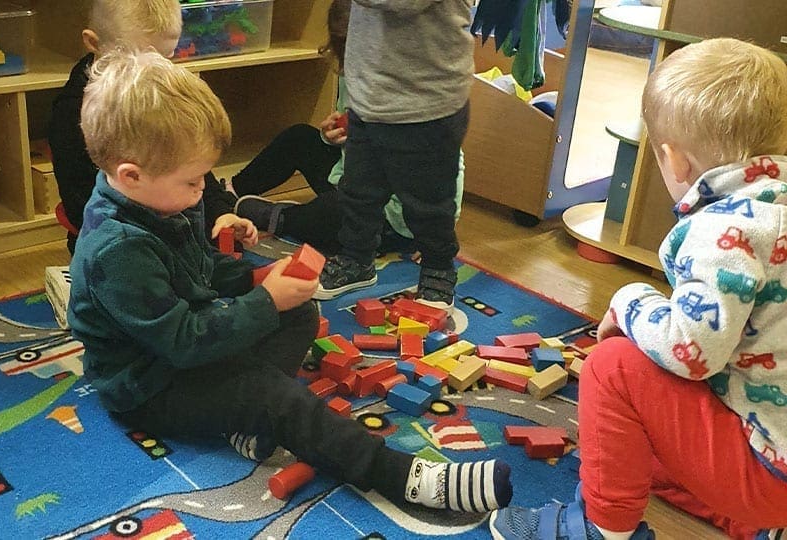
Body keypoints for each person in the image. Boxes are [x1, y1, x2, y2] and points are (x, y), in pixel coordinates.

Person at [68, 48, 513, 515]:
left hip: (184, 351)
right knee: (270, 393)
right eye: (194, 181)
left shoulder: (159, 200)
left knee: (298, 310)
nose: (204, 190)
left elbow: (196, 270)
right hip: (149, 387)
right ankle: (399, 475)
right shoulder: (117, 248)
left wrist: (254, 275)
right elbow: (183, 342)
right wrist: (262, 301)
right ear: (131, 176)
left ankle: (246, 420)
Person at [490, 38, 787, 540]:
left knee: (614, 367)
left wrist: (627, 302)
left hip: (770, 470)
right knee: (639, 448)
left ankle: (598, 528)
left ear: (673, 161)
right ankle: (752, 519)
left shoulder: (724, 231)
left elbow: (692, 352)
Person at [231, 0, 465, 257]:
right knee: (300, 137)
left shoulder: (416, 94)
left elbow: (448, 166)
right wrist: (331, 136)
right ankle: (230, 193)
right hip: (351, 180)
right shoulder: (350, 75)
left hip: (393, 217)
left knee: (338, 215)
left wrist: (435, 231)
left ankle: (283, 216)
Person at [310, 1, 473, 311]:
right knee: (358, 192)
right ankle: (357, 259)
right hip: (371, 96)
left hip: (426, 103)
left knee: (428, 201)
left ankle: (438, 268)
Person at [48, 0, 236, 255]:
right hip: (121, 244)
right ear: (94, 43)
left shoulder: (158, 90)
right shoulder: (72, 113)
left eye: (165, 58)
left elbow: (194, 163)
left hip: (174, 222)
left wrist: (220, 212)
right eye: (136, 58)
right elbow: (80, 203)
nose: (152, 72)